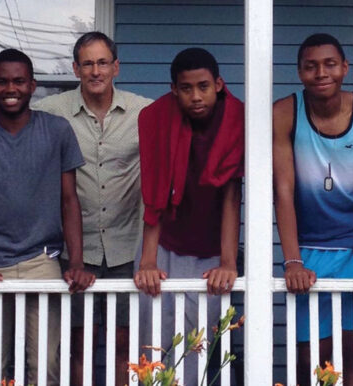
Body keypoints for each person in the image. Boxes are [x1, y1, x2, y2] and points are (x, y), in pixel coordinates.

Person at [0, 48, 94, 385]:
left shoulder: (56, 130)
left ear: (32, 85)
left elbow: (70, 201)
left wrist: (77, 262)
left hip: (41, 260)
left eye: (18, 81)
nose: (10, 89)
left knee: (46, 366)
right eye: (1, 82)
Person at [273, 33, 353, 386]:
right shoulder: (285, 112)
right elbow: (284, 189)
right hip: (310, 250)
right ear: (299, 72)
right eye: (311, 66)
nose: (321, 73)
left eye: (329, 64)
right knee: (311, 360)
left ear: (345, 67)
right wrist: (292, 260)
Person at [32, 31, 152, 385]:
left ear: (116, 67)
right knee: (77, 343)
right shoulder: (50, 113)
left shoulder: (144, 112)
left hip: (128, 244)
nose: (95, 71)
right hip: (74, 249)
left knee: (124, 343)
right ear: (75, 68)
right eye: (87, 63)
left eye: (102, 62)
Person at [134, 47, 244, 386]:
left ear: (219, 84)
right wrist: (147, 262)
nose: (195, 96)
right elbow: (155, 192)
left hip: (210, 250)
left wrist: (228, 262)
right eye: (186, 88)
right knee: (153, 340)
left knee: (196, 343)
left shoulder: (236, 119)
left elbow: (230, 194)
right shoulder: (158, 118)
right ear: (173, 89)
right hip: (164, 242)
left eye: (203, 86)